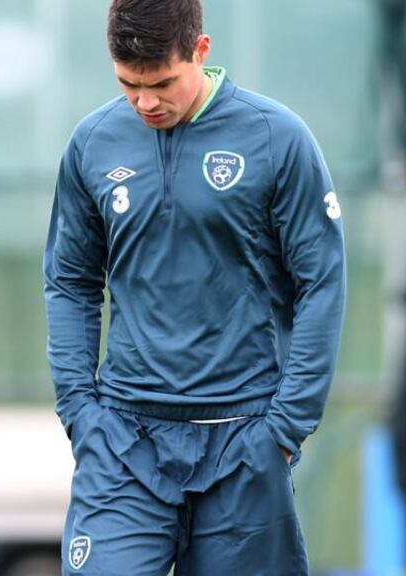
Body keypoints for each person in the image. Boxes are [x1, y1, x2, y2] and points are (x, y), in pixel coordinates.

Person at [42, 0, 346, 573]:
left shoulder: (276, 138)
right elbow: (69, 280)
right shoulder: (93, 143)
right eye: (129, 85)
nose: (145, 102)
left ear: (201, 53)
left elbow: (322, 283)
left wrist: (284, 429)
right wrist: (80, 408)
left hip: (245, 441)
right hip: (123, 441)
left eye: (161, 83)